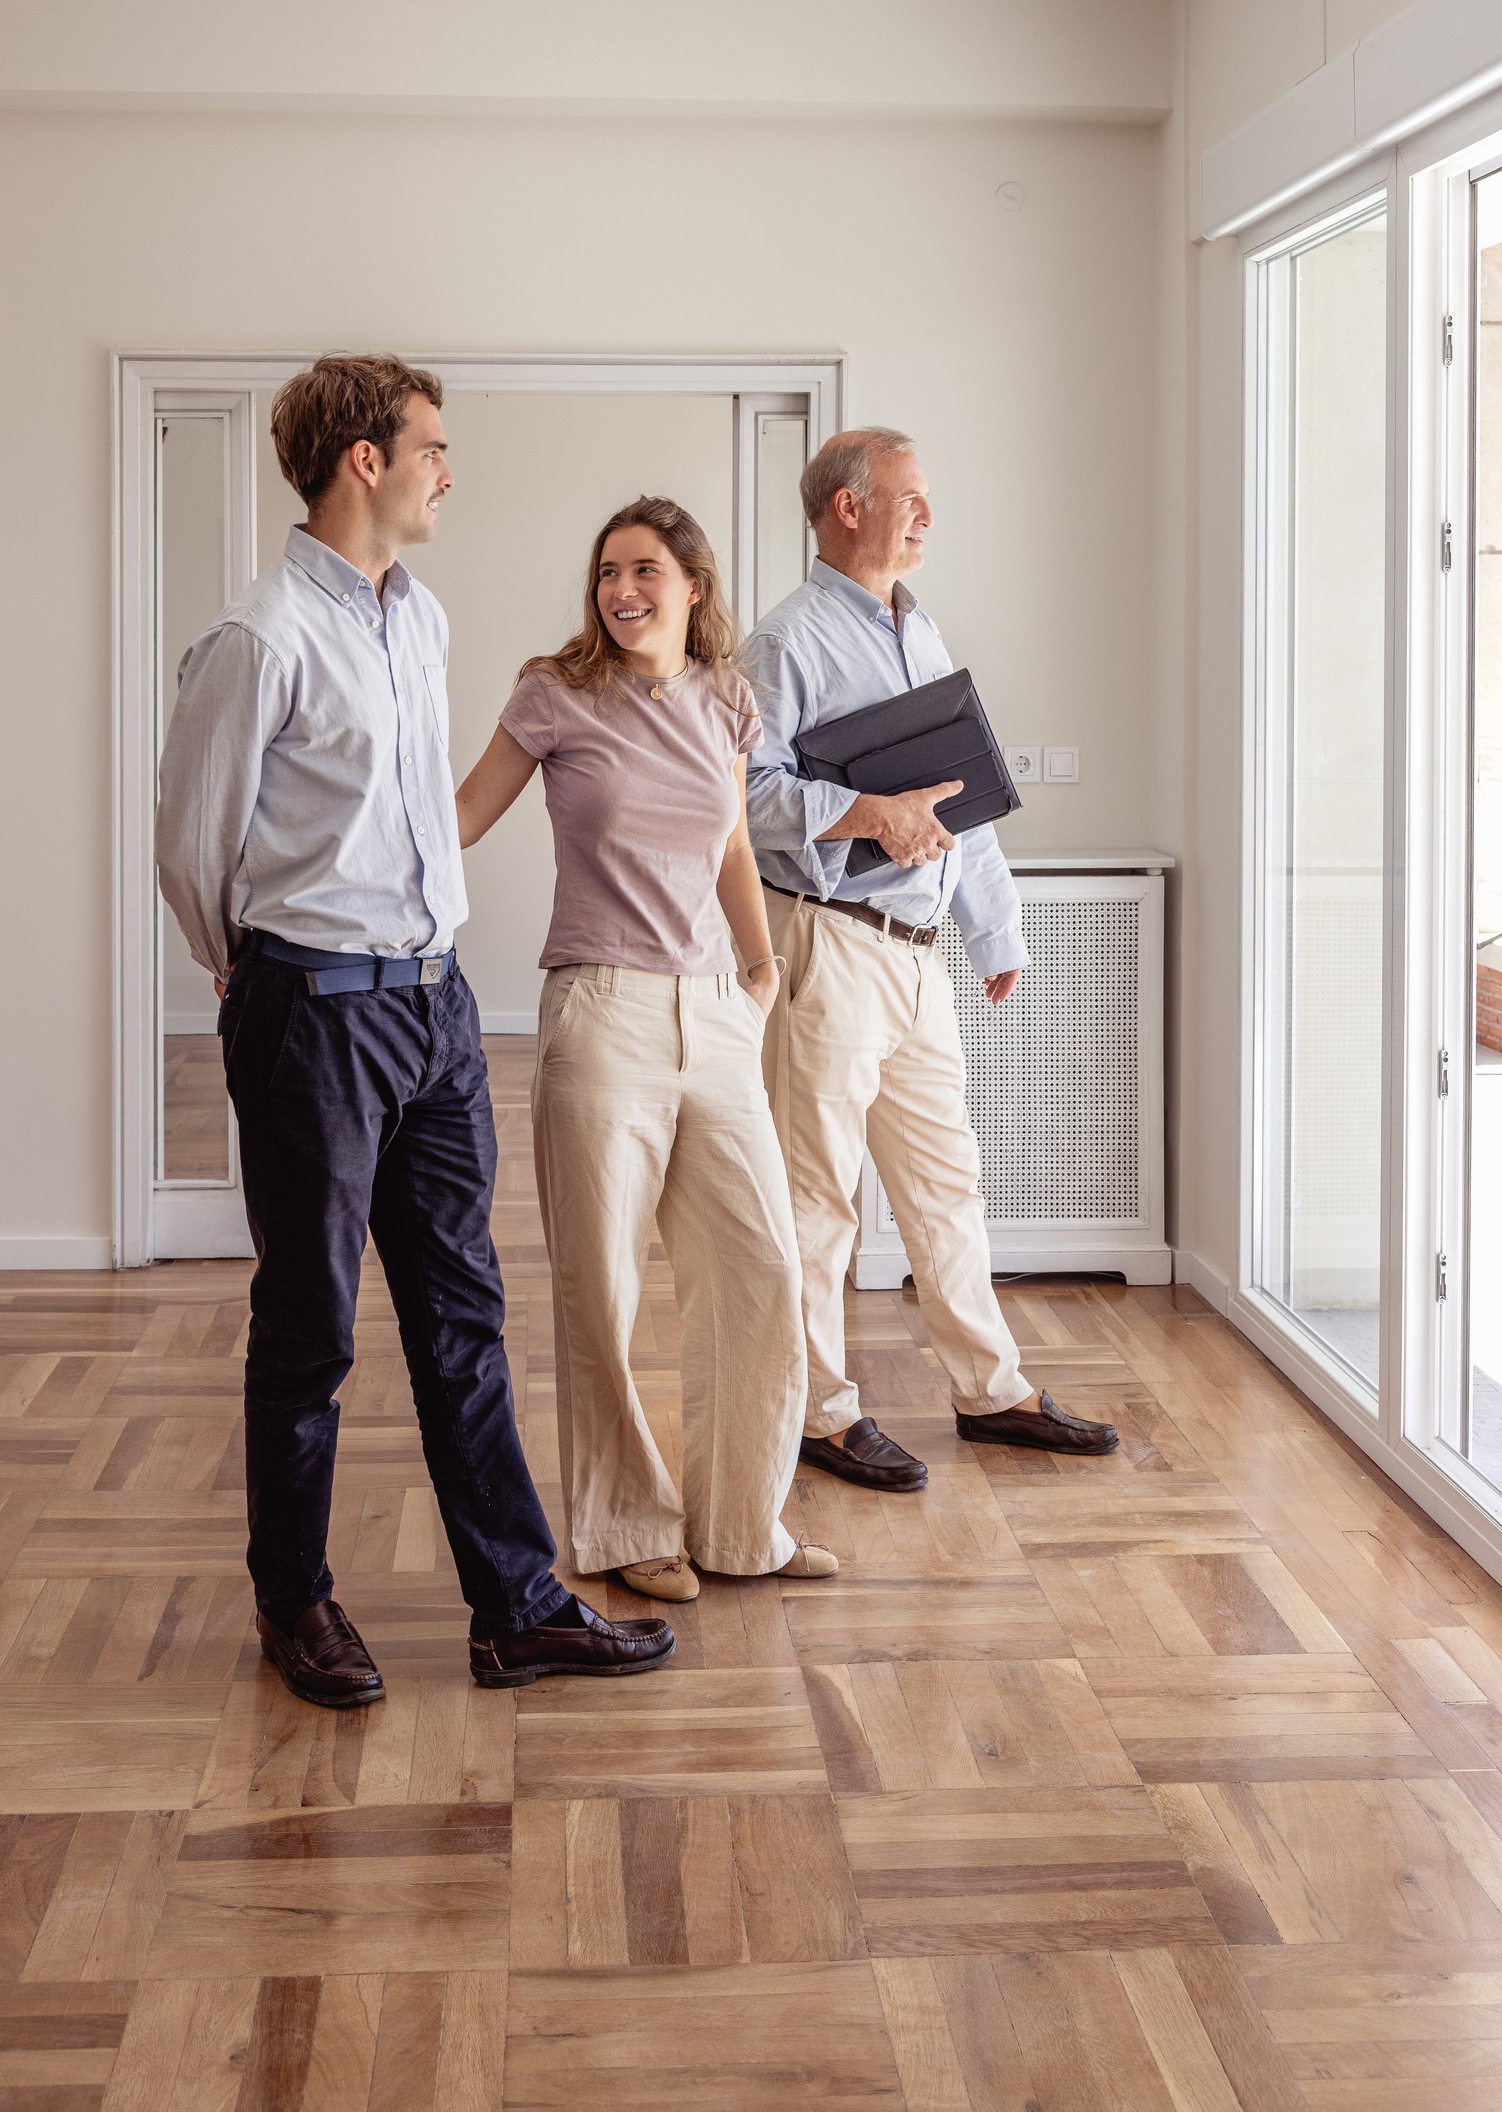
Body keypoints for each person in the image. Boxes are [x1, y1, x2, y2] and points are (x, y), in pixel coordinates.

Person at [155, 354, 673, 1709]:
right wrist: (249, 972)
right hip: (314, 1015)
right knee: (310, 1327)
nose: (449, 469)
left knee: (464, 1319)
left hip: (436, 1011)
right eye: (432, 446)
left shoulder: (421, 618)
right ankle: (294, 1599)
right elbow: (192, 845)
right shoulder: (260, 635)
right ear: (365, 460)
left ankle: (519, 1608)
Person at [455, 497, 834, 1605]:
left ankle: (742, 1524)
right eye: (608, 572)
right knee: (603, 1290)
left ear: (692, 585)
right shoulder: (555, 693)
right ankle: (626, 1526)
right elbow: (459, 817)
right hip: (602, 1013)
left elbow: (730, 843)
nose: (621, 591)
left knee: (763, 1272)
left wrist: (760, 971)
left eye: (645, 571)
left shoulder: (727, 699)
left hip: (716, 1014)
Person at [743, 426, 1118, 1489]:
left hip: (918, 959)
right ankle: (819, 1412)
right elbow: (745, 796)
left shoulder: (923, 630)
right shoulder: (786, 642)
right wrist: (866, 810)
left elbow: (964, 797)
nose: (927, 515)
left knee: (947, 1183)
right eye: (909, 497)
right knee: (818, 1197)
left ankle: (989, 1391)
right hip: (828, 945)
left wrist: (995, 931)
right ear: (848, 506)